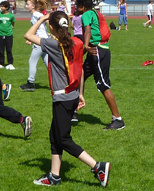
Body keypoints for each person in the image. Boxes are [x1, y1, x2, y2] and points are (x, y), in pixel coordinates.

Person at [24, 11, 111, 188]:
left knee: (63, 138)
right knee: (54, 135)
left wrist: (41, 19)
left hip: (62, 98)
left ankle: (97, 167)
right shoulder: (76, 42)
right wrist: (80, 93)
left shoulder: (52, 44)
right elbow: (78, 69)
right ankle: (54, 176)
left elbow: (28, 35)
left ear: (51, 27)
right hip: (71, 94)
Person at [76, 0, 125, 130]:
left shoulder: (86, 15)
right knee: (78, 76)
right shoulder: (95, 13)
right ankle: (73, 111)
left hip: (98, 52)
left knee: (103, 85)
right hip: (96, 50)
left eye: (78, 5)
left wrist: (85, 46)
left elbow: (88, 31)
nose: (76, 8)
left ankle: (118, 119)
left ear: (83, 6)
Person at [20, 0, 49, 92]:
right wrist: (31, 40)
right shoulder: (34, 15)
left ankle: (30, 83)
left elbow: (44, 18)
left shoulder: (36, 14)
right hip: (44, 40)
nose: (26, 6)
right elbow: (39, 28)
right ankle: (60, 81)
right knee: (48, 63)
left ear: (33, 6)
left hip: (40, 42)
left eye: (27, 4)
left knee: (32, 62)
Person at [0, 0, 16, 70]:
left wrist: (10, 28)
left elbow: (13, 23)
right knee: (1, 50)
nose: (1, 8)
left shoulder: (11, 15)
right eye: (1, 6)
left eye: (3, 6)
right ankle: (1, 63)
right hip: (0, 34)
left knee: (9, 49)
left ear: (7, 7)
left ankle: (10, 63)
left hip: (9, 34)